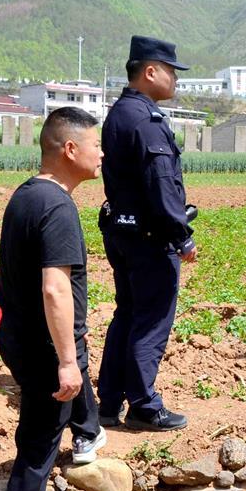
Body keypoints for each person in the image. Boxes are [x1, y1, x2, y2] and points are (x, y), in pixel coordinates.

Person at [0, 107, 106, 491]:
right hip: (44, 350)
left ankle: (89, 433)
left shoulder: (25, 196)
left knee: (54, 421)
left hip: (20, 339)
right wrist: (65, 358)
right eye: (96, 145)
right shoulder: (57, 208)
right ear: (70, 149)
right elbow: (55, 289)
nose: (103, 153)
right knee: (34, 456)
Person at [96, 36, 195, 431]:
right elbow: (161, 184)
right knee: (151, 319)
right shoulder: (145, 120)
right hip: (150, 238)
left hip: (123, 232)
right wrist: (181, 234)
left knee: (128, 314)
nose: (175, 79)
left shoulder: (120, 113)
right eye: (171, 71)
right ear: (150, 71)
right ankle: (143, 404)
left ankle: (110, 403)